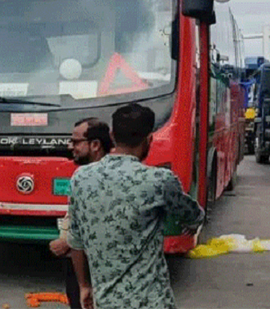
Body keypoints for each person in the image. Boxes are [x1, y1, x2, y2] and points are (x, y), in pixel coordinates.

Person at [67, 104, 204, 309]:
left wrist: (84, 286)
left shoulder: (81, 178)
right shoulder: (159, 180)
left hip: (106, 302)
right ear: (149, 139)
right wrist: (191, 224)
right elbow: (193, 215)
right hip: (152, 302)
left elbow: (76, 241)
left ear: (112, 136)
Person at [49, 118, 112, 309]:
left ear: (95, 145)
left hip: (92, 264)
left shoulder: (103, 177)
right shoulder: (84, 175)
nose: (70, 147)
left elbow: (100, 223)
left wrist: (66, 241)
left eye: (76, 142)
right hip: (78, 263)